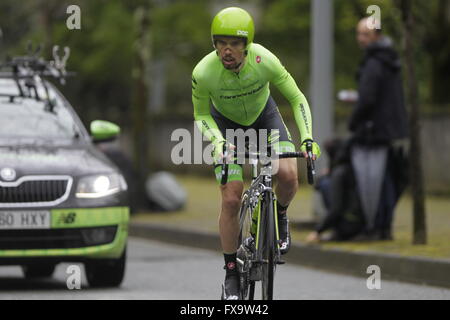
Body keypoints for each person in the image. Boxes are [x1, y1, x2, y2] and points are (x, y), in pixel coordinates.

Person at [191, 7, 320, 300]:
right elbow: (200, 115)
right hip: (226, 129)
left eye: (234, 43)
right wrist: (219, 143)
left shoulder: (264, 60)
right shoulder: (203, 72)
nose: (227, 50)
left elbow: (296, 97)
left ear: (246, 45)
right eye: (220, 43)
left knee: (288, 175)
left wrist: (308, 138)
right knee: (232, 196)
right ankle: (231, 271)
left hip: (266, 120)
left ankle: (280, 215)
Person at [348, 18, 408, 240]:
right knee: (386, 179)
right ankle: (384, 227)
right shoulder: (389, 59)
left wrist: (355, 122)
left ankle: (374, 227)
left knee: (373, 182)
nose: (360, 39)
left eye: (364, 34)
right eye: (359, 34)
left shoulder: (374, 63)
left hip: (374, 130)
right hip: (389, 128)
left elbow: (368, 99)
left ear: (376, 35)